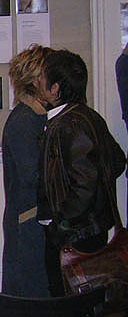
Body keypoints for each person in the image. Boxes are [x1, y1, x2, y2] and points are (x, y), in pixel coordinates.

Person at [37, 49, 125, 297]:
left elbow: (85, 183)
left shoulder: (68, 124)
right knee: (85, 300)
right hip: (89, 229)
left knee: (68, 301)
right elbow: (117, 161)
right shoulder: (88, 116)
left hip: (75, 235)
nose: (38, 82)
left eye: (42, 77)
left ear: (55, 89)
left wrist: (63, 224)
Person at [1, 45, 52, 297]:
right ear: (36, 80)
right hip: (28, 219)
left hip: (32, 218)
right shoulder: (24, 121)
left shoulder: (37, 116)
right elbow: (31, 175)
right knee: (28, 295)